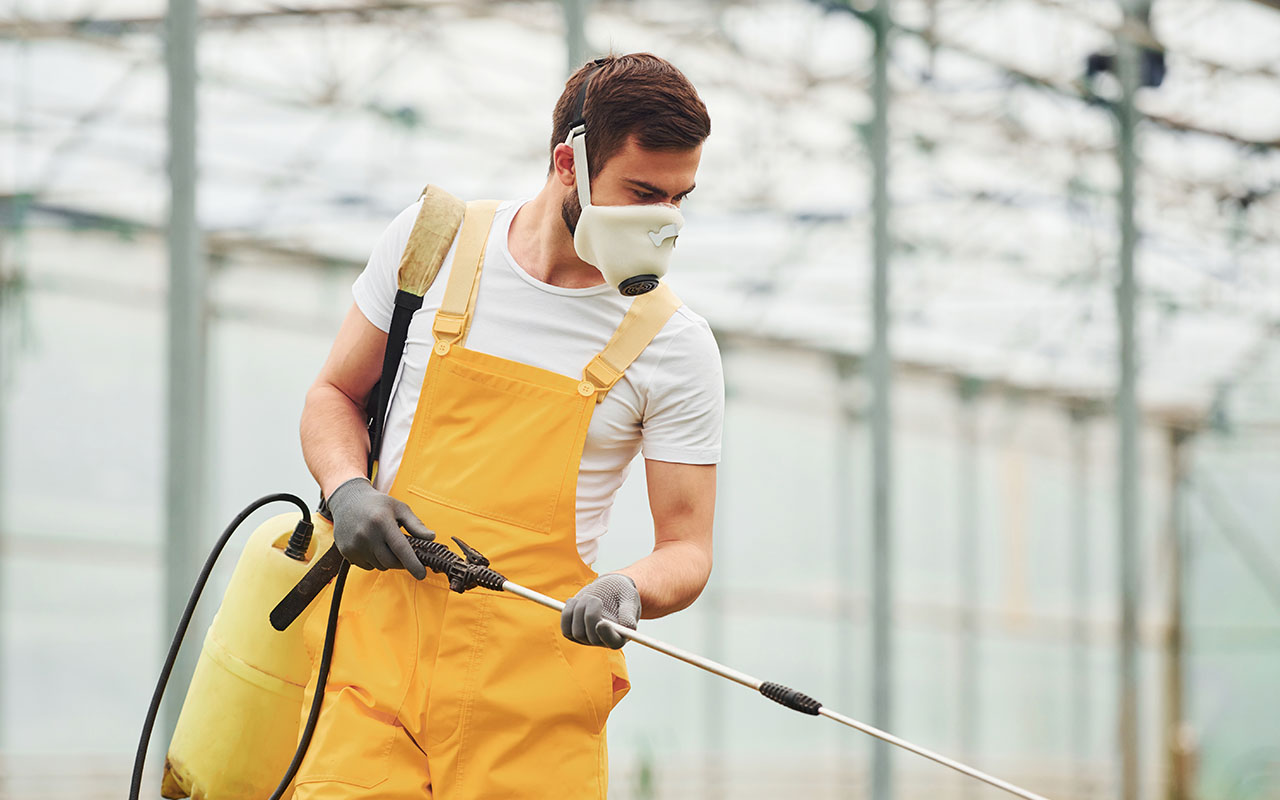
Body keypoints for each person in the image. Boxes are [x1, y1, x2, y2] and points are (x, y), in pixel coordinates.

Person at [294, 52, 723, 799]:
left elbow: (686, 548)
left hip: (532, 710)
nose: (665, 223)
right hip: (369, 682)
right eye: (643, 194)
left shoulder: (674, 344)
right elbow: (334, 392)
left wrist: (629, 587)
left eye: (681, 199)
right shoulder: (433, 244)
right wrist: (346, 488)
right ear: (569, 164)